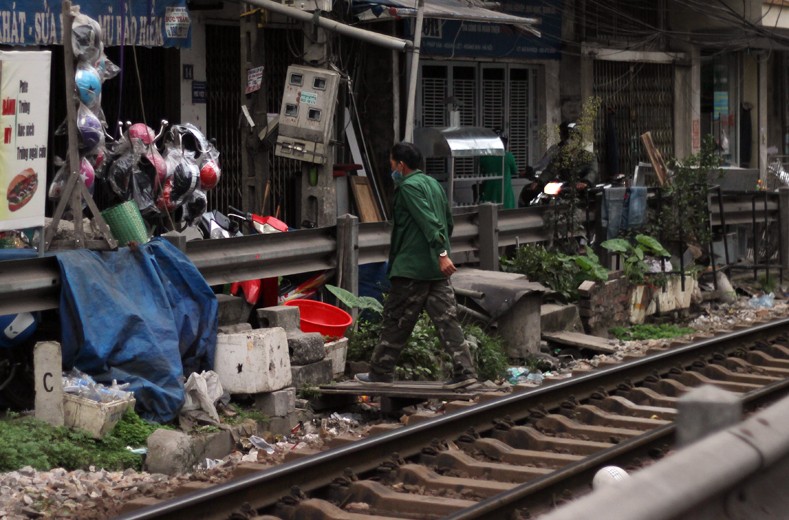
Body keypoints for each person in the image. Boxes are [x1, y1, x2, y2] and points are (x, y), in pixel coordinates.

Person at [355, 141, 478, 387]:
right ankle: (466, 373)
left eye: (392, 163)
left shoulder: (408, 188)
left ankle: (380, 372)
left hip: (412, 268)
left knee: (397, 320)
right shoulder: (433, 185)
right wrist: (441, 253)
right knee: (447, 320)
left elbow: (429, 221)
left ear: (401, 165)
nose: (391, 169)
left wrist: (441, 252)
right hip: (435, 270)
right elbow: (447, 222)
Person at [519, 121, 599, 207]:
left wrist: (585, 182)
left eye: (571, 138)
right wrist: (539, 182)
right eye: (566, 137)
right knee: (531, 192)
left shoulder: (588, 157)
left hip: (582, 191)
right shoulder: (561, 156)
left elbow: (593, 171)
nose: (567, 141)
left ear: (578, 139)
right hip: (565, 189)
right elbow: (550, 170)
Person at [479, 130, 517, 209]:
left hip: (488, 195)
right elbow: (515, 171)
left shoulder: (484, 157)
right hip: (505, 197)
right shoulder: (508, 156)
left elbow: (482, 171)